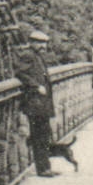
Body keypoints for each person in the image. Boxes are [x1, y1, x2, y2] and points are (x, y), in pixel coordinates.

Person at [14, 29, 76, 176]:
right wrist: (35, 86)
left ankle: (46, 166)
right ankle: (42, 169)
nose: (44, 46)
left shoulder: (37, 56)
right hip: (35, 103)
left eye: (45, 43)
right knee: (39, 136)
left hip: (41, 103)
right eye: (40, 43)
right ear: (33, 43)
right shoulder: (28, 55)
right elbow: (20, 73)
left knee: (44, 135)